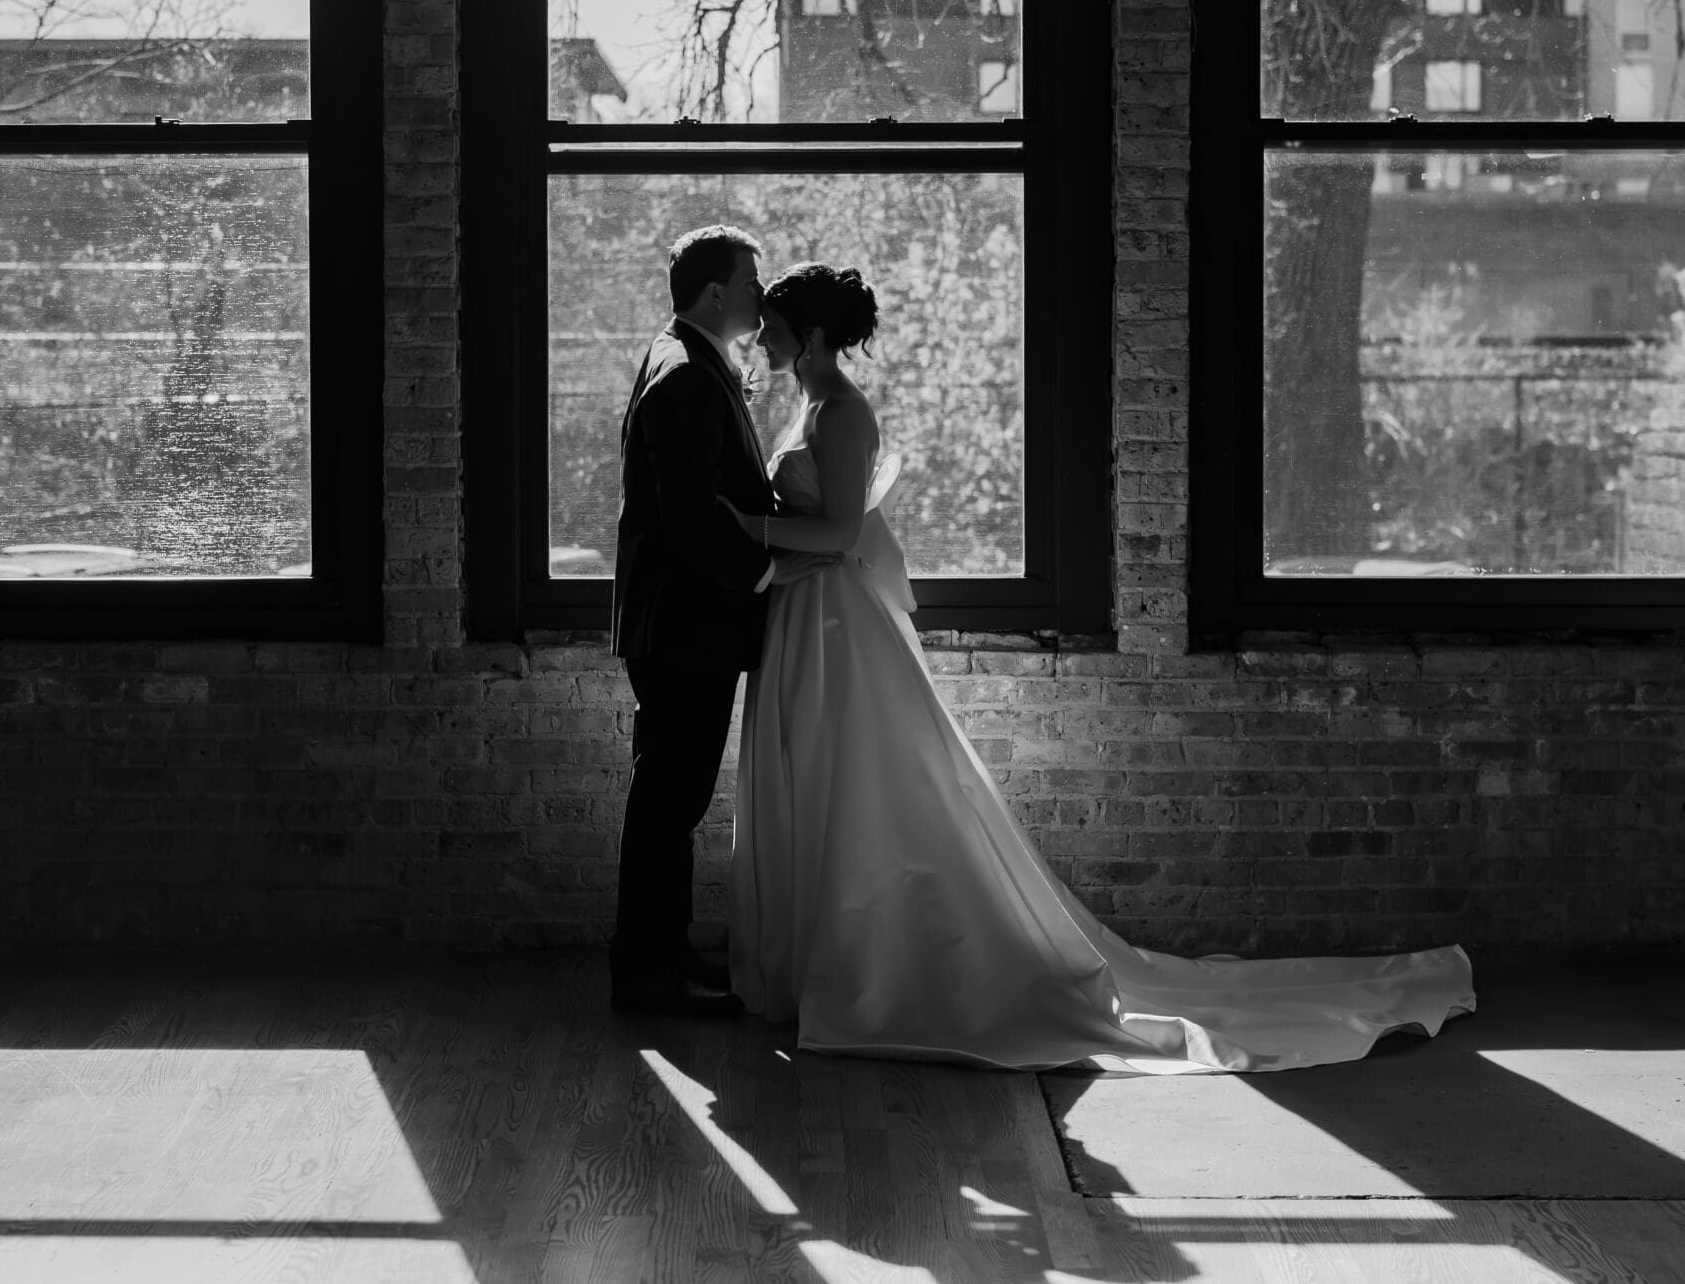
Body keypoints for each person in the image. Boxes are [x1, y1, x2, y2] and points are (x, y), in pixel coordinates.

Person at [722, 261, 1477, 1071]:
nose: (759, 334)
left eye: (769, 322)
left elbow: (838, 533)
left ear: (809, 335)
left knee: (862, 790)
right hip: (810, 619)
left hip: (842, 633)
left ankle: (876, 975)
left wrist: (745, 527)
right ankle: (818, 965)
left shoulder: (841, 413)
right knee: (823, 783)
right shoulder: (806, 405)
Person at [608, 225, 835, 1016]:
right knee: (670, 793)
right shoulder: (683, 375)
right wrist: (766, 570)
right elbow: (689, 513)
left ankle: (662, 953)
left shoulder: (692, 359)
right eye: (750, 282)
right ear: (714, 294)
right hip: (683, 623)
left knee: (674, 793)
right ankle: (644, 971)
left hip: (685, 621)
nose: (758, 294)